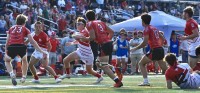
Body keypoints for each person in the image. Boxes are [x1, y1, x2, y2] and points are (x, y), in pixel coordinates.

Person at [83, 10, 123, 87]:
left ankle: (117, 81)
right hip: (108, 43)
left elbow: (92, 37)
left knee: (104, 66)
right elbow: (112, 32)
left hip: (103, 44)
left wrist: (83, 38)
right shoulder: (100, 22)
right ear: (95, 16)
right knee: (98, 63)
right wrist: (107, 40)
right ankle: (114, 69)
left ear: (87, 18)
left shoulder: (89, 24)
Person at [4, 14, 46, 86]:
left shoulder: (11, 28)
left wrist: (6, 50)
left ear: (16, 21)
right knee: (24, 60)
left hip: (12, 46)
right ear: (24, 22)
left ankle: (11, 74)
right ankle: (23, 77)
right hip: (21, 46)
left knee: (7, 61)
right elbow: (32, 41)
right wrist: (41, 50)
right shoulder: (25, 29)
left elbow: (7, 41)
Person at [59, 17, 103, 83]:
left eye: (79, 23)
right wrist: (71, 43)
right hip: (80, 51)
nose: (77, 25)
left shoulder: (85, 31)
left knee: (89, 70)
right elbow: (79, 40)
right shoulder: (81, 32)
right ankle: (68, 74)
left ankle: (99, 77)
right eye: (77, 23)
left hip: (87, 54)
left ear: (83, 25)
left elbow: (78, 37)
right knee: (66, 60)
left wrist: (73, 33)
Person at [131, 13, 167, 86]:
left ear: (143, 21)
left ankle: (145, 81)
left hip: (155, 50)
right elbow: (163, 39)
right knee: (165, 69)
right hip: (160, 49)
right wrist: (160, 45)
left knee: (141, 63)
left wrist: (135, 48)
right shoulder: (155, 28)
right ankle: (177, 77)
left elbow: (144, 43)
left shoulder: (146, 29)